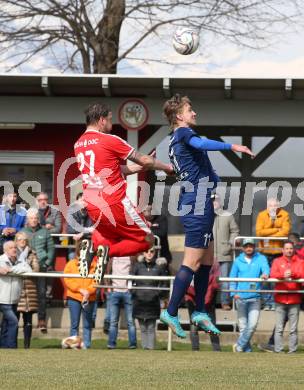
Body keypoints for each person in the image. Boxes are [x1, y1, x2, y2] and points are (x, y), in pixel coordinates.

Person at [159, 94, 254, 338]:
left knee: (208, 260)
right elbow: (201, 145)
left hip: (201, 202)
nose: (195, 113)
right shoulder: (183, 133)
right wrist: (232, 146)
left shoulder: (177, 138)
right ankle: (170, 311)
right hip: (196, 203)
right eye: (190, 109)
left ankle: (200, 310)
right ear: (179, 116)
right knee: (191, 262)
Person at [74, 102, 173, 283]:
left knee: (110, 238)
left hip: (92, 205)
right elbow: (144, 160)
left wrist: (142, 165)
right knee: (148, 239)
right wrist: (166, 167)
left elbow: (116, 168)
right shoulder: (110, 139)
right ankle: (101, 252)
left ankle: (94, 250)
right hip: (115, 203)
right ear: (102, 120)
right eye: (110, 120)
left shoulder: (79, 143)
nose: (112, 124)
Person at [230, 238, 269, 352]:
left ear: (254, 247)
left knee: (252, 325)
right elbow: (232, 278)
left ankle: (238, 345)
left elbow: (266, 268)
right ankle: (246, 351)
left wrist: (265, 274)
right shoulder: (237, 261)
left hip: (255, 297)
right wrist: (234, 293)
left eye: (251, 246)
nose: (248, 248)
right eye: (246, 246)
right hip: (240, 298)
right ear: (243, 248)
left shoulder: (261, 258)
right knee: (243, 327)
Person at [21, 208, 55, 333]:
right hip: (26, 268)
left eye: (35, 218)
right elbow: (19, 248)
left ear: (38, 219)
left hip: (41, 267)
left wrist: (47, 262)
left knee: (41, 294)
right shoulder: (23, 232)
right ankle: (26, 319)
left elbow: (51, 249)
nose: (34, 220)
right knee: (26, 294)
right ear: (28, 220)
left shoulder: (45, 232)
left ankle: (41, 320)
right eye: (31, 218)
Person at [256, 198, 291, 310]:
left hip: (278, 252)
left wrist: (269, 234)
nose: (273, 208)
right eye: (271, 206)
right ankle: (267, 303)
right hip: (264, 252)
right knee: (265, 278)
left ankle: (276, 302)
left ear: (278, 206)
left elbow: (285, 232)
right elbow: (259, 232)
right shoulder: (261, 215)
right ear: (267, 206)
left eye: (275, 206)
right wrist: (276, 229)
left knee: (277, 278)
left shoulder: (285, 214)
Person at [270, 241, 304, 353]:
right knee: (279, 328)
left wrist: (293, 274)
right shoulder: (276, 261)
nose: (289, 250)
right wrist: (282, 275)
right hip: (280, 298)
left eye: (291, 248)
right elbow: (273, 275)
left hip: (295, 299)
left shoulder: (300, 262)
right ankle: (278, 350)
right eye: (287, 248)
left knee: (293, 329)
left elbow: (302, 275)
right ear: (282, 250)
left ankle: (292, 350)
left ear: (293, 250)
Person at [132, 247, 167, 350]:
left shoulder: (159, 267)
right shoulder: (137, 266)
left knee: (151, 328)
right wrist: (135, 293)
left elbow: (164, 283)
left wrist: (157, 294)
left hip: (153, 302)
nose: (149, 253)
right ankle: (144, 349)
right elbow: (130, 281)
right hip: (139, 301)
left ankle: (151, 349)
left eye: (152, 251)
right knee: (142, 328)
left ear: (155, 252)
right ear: (143, 253)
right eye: (147, 251)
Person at [63, 246, 97, 349]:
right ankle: (74, 345)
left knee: (87, 324)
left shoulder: (95, 265)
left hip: (89, 298)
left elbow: (97, 280)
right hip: (74, 297)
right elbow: (68, 279)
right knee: (74, 324)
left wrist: (88, 291)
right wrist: (80, 290)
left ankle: (86, 345)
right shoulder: (70, 264)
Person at [0, 241, 32, 348]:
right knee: (13, 322)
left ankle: (3, 347)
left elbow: (28, 270)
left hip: (14, 299)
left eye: (15, 247)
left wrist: (11, 270)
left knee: (6, 324)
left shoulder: (20, 260)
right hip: (2, 299)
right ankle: (11, 347)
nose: (14, 249)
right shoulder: (1, 260)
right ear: (5, 250)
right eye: (10, 248)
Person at [185, 261, 221, 351]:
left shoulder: (212, 266)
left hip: (208, 303)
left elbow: (213, 287)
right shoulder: (188, 266)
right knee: (194, 326)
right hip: (192, 302)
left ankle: (216, 349)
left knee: (211, 325)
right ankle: (195, 348)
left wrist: (204, 302)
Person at [212, 194, 239, 310]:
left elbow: (235, 231)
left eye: (216, 200)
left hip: (225, 253)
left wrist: (230, 244)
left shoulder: (228, 215)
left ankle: (225, 302)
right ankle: (208, 301)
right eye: (212, 200)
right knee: (208, 280)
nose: (214, 202)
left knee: (225, 281)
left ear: (220, 202)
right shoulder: (204, 215)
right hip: (208, 255)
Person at [106, 256, 137, 349]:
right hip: (114, 291)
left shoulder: (132, 258)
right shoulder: (112, 257)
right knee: (113, 321)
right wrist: (108, 287)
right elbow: (107, 271)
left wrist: (131, 287)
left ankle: (132, 344)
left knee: (131, 321)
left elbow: (135, 272)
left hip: (128, 292)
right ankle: (111, 344)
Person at [15, 231, 39, 349]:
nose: (22, 242)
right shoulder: (13, 253)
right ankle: (12, 344)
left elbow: (36, 269)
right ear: (16, 241)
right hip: (16, 288)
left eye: (24, 240)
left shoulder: (32, 253)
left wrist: (27, 269)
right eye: (19, 239)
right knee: (14, 319)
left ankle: (26, 345)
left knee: (28, 320)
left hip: (29, 289)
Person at [66, 192, 94, 260]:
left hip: (88, 243)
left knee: (88, 261)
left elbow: (93, 228)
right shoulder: (71, 212)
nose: (83, 203)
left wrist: (82, 233)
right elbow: (70, 229)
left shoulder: (92, 213)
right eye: (81, 200)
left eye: (85, 201)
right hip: (74, 243)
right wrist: (85, 231)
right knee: (72, 258)